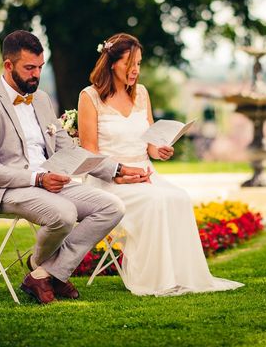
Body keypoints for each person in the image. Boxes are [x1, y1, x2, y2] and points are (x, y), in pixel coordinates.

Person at [0, 30, 148, 304]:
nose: (36, 75)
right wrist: (38, 179)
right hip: (5, 188)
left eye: (40, 67)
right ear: (8, 65)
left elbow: (69, 150)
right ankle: (47, 269)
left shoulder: (42, 99)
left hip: (50, 184)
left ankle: (43, 272)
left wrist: (117, 169)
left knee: (111, 206)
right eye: (29, 68)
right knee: (64, 213)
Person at [78, 33, 244, 296]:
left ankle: (181, 276)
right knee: (154, 201)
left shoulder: (141, 94)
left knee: (178, 197)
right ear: (111, 63)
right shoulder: (89, 97)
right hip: (108, 179)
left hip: (145, 172)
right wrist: (119, 174)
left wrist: (160, 148)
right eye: (129, 63)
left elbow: (149, 140)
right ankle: (153, 280)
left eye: (139, 64)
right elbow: (89, 154)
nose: (135, 70)